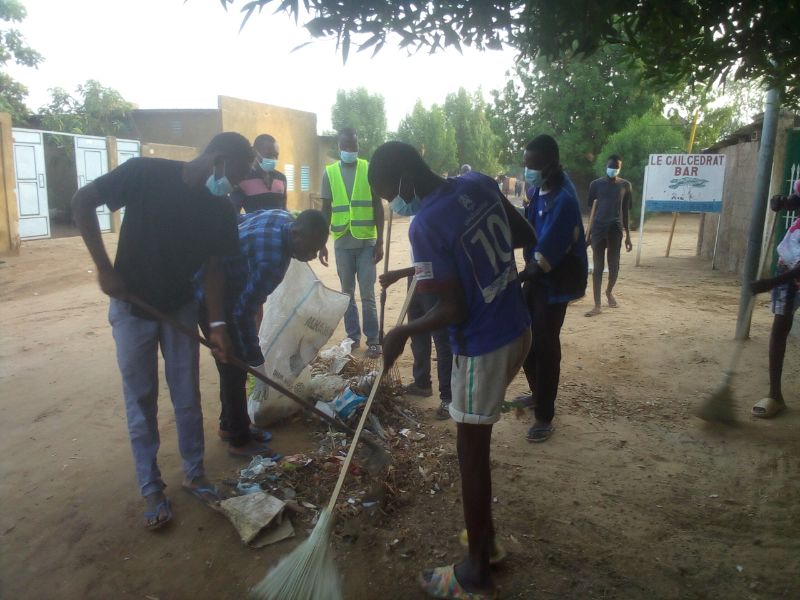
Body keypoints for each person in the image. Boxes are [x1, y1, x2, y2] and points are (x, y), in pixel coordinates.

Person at [370, 141, 534, 599]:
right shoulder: (478, 182)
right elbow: (523, 235)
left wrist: (402, 333)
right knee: (473, 446)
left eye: (389, 194)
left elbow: (453, 308)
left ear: (404, 181)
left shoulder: (425, 225)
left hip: (483, 344)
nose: (394, 205)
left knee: (470, 452)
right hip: (518, 326)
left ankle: (476, 571)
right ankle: (487, 543)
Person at [71, 132, 253, 530]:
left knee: (187, 395)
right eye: (237, 174)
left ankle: (194, 474)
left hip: (180, 307)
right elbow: (82, 201)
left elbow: (214, 268)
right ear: (218, 159)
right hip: (131, 307)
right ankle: (151, 487)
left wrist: (219, 325)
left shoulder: (221, 210)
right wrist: (104, 268)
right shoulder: (144, 173)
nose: (236, 185)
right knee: (142, 399)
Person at [199, 209, 329, 456]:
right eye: (311, 248)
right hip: (212, 293)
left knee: (231, 367)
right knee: (234, 366)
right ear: (297, 233)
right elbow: (243, 312)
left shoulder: (281, 216)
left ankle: (231, 426)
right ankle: (239, 441)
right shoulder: (272, 262)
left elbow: (238, 221)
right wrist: (256, 361)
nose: (312, 256)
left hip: (227, 281)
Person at [515, 135, 588, 443]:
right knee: (525, 340)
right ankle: (536, 393)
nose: (527, 170)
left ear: (550, 165)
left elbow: (545, 258)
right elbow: (526, 230)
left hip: (555, 281)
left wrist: (512, 278)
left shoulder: (564, 201)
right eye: (526, 164)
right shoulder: (539, 191)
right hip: (538, 277)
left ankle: (545, 414)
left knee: (544, 344)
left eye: (532, 166)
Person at [380, 190, 453, 419]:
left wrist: (400, 273)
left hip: (434, 279)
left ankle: (447, 397)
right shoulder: (416, 211)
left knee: (441, 339)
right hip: (416, 277)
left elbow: (433, 261)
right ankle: (421, 382)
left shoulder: (435, 214)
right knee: (418, 332)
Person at [318, 128, 384, 358]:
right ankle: (353, 336)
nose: (349, 151)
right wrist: (321, 241)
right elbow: (325, 210)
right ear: (339, 147)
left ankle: (374, 339)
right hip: (342, 242)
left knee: (367, 293)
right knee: (347, 294)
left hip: (366, 240)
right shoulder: (330, 173)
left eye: (353, 147)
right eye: (345, 147)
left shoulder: (368, 169)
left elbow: (377, 206)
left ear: (358, 146)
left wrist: (381, 242)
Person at [750, 180, 800, 418]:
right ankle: (775, 396)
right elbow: (795, 200)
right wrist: (781, 201)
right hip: (790, 259)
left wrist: (769, 283)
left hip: (795, 269)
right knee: (780, 325)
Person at [585, 154, 633, 316]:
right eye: (611, 167)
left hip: (616, 229)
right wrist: (589, 234)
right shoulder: (595, 185)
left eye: (616, 167)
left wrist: (628, 236)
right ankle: (597, 304)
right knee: (597, 267)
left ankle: (609, 292)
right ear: (606, 166)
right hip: (598, 229)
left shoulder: (625, 186)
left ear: (620, 168)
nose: (613, 170)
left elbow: (625, 211)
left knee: (614, 266)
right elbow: (591, 210)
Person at [230, 134, 288, 213]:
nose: (273, 159)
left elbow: (284, 210)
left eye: (276, 155)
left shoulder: (281, 178)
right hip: (255, 225)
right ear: (255, 153)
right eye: (269, 155)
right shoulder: (242, 179)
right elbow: (234, 213)